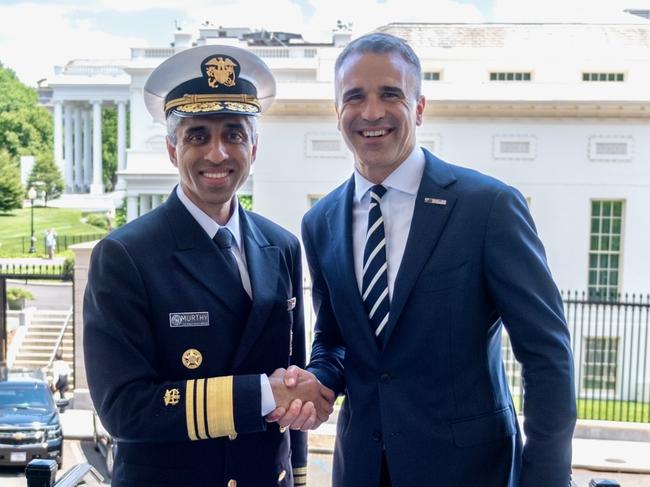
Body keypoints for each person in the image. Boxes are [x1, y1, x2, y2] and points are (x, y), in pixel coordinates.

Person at [272, 33, 577, 487]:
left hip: (471, 472)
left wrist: (545, 479)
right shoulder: (320, 222)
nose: (371, 112)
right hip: (361, 469)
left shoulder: (487, 207)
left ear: (418, 106)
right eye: (354, 97)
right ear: (338, 113)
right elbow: (335, 338)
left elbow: (547, 355)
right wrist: (318, 382)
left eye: (390, 94)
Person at [83, 45, 333, 487]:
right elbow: (124, 407)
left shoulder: (282, 246)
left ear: (253, 148)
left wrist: (297, 474)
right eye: (198, 135)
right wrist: (261, 393)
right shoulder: (126, 256)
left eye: (234, 134)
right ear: (171, 148)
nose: (217, 154)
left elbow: (291, 376)